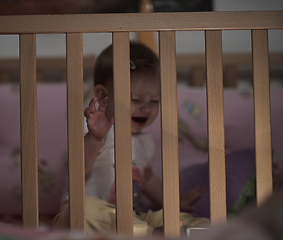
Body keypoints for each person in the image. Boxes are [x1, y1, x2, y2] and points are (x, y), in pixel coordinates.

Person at [53, 42, 208, 236]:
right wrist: (94, 138)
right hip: (83, 219)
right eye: (135, 100)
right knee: (87, 210)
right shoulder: (95, 130)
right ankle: (151, 234)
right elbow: (78, 166)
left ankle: (202, 232)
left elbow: (148, 178)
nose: (146, 108)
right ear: (103, 95)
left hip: (130, 219)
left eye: (154, 101)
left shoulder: (145, 143)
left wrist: (174, 206)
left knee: (171, 218)